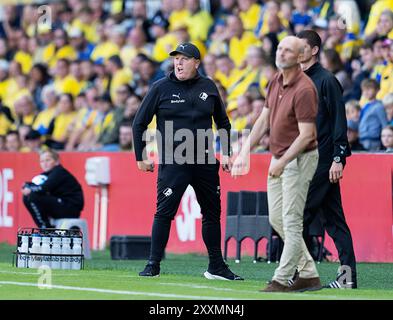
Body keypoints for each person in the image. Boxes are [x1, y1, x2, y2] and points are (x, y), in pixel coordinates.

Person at [132, 42, 243, 281]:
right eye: (176, 59)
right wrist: (140, 156)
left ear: (196, 63)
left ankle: (216, 266)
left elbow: (223, 123)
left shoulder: (209, 87)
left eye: (184, 59)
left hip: (204, 161)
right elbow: (139, 123)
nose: (178, 63)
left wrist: (225, 152)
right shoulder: (160, 88)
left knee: (212, 213)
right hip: (174, 161)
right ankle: (153, 264)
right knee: (164, 212)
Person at [232, 36, 321, 292]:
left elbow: (307, 135)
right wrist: (245, 151)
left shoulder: (305, 89)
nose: (281, 53)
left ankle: (282, 278)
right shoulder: (275, 80)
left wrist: (282, 161)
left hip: (299, 159)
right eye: (280, 48)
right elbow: (264, 119)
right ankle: (309, 273)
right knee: (277, 219)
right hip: (279, 157)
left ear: (300, 56)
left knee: (291, 220)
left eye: (288, 50)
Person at [297, 29, 357, 289]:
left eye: (301, 47)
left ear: (314, 50)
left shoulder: (327, 80)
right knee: (334, 221)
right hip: (305, 159)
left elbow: (338, 122)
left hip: (321, 161)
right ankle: (347, 279)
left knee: (297, 217)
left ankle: (297, 274)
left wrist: (338, 158)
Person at [22, 149, 84, 229]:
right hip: (60, 205)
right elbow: (35, 186)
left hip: (70, 208)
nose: (45, 163)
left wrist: (30, 189)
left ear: (57, 161)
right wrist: (27, 186)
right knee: (27, 197)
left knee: (32, 196)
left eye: (48, 160)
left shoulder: (59, 172)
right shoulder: (46, 174)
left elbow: (44, 188)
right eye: (42, 161)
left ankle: (46, 228)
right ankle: (44, 227)